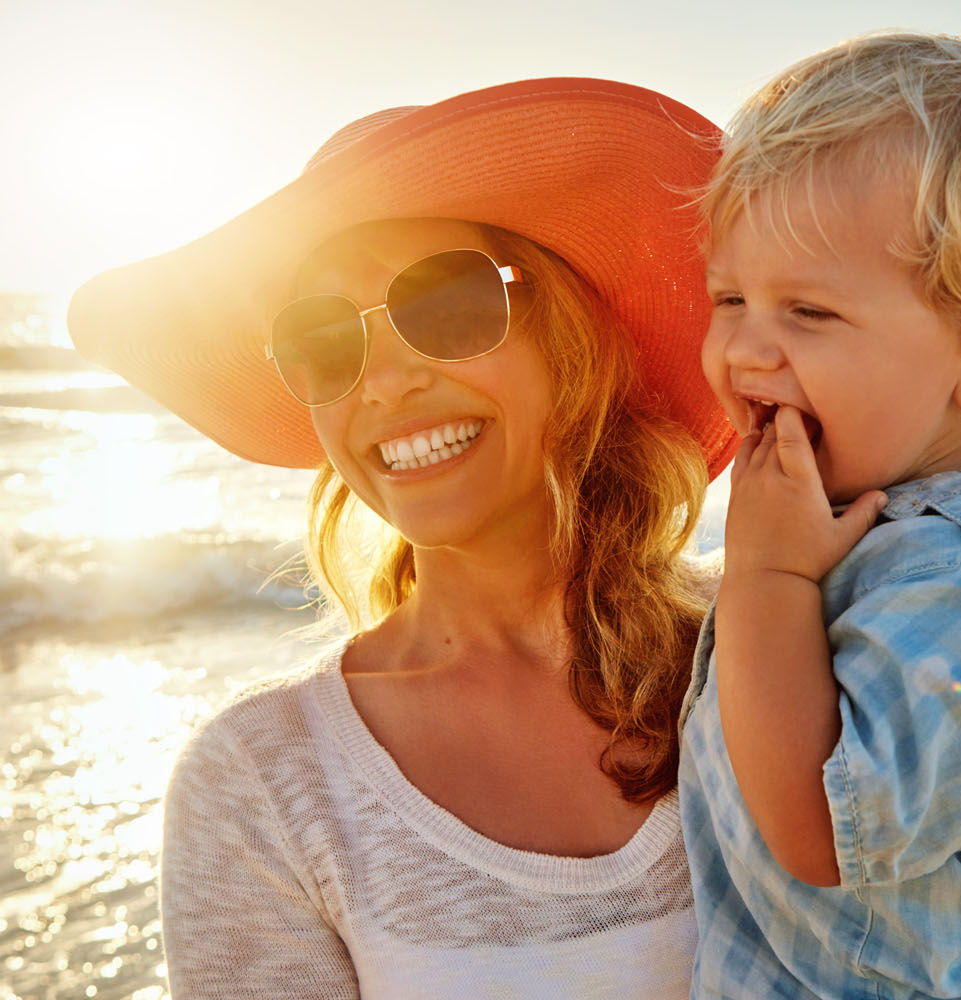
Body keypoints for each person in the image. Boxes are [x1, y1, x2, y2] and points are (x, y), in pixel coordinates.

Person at [67, 79, 735, 998]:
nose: (382, 382)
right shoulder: (264, 784)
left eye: (447, 303)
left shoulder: (779, 631)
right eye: (322, 341)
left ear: (569, 332)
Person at [677, 32, 961, 998]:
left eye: (809, 312)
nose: (747, 350)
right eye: (729, 297)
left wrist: (768, 573)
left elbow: (817, 827)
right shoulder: (845, 527)